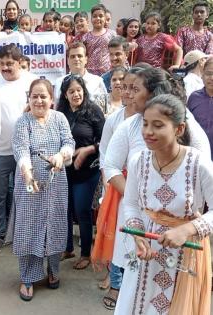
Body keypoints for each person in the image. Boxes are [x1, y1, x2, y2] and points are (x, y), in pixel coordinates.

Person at [104, 67, 211, 310]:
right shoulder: (138, 161)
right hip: (145, 254)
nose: (148, 132)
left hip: (183, 255)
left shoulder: (198, 161)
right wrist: (137, 232)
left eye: (158, 125)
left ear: (179, 129)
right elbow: (131, 204)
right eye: (145, 124)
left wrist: (188, 229)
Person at [11, 78, 74, 301]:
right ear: (28, 98)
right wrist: (28, 175)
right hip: (30, 186)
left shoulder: (60, 119)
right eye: (34, 96)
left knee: (55, 225)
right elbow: (21, 150)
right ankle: (28, 277)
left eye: (43, 96)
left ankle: (53, 271)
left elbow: (69, 142)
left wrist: (61, 155)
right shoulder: (23, 122)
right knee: (29, 227)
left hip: (56, 184)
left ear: (52, 99)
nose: (39, 100)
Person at [91, 67, 142, 308]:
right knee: (117, 236)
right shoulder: (115, 119)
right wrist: (108, 183)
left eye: (132, 86)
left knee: (137, 239)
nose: (127, 90)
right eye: (121, 84)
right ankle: (116, 283)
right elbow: (105, 155)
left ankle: (135, 284)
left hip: (144, 190)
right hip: (116, 186)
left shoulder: (152, 117)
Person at [0, 44, 37, 255]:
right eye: (2, 64)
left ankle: (26, 232)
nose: (5, 68)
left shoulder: (32, 81)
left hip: (27, 150)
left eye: (10, 63)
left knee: (27, 192)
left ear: (19, 63)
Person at [57, 75, 105, 270]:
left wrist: (87, 150)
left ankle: (86, 253)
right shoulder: (61, 112)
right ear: (65, 95)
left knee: (81, 210)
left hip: (87, 172)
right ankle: (67, 247)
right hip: (65, 171)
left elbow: (105, 142)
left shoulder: (93, 111)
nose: (76, 94)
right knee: (65, 210)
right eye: (71, 91)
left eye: (79, 90)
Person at [78, 4, 116, 75]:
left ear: (105, 18)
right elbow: (82, 55)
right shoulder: (85, 37)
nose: (98, 18)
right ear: (91, 19)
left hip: (107, 73)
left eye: (101, 16)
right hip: (90, 73)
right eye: (95, 16)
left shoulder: (112, 34)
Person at [188, 56, 213, 159]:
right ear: (202, 75)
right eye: (208, 73)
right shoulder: (194, 98)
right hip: (199, 157)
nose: (212, 78)